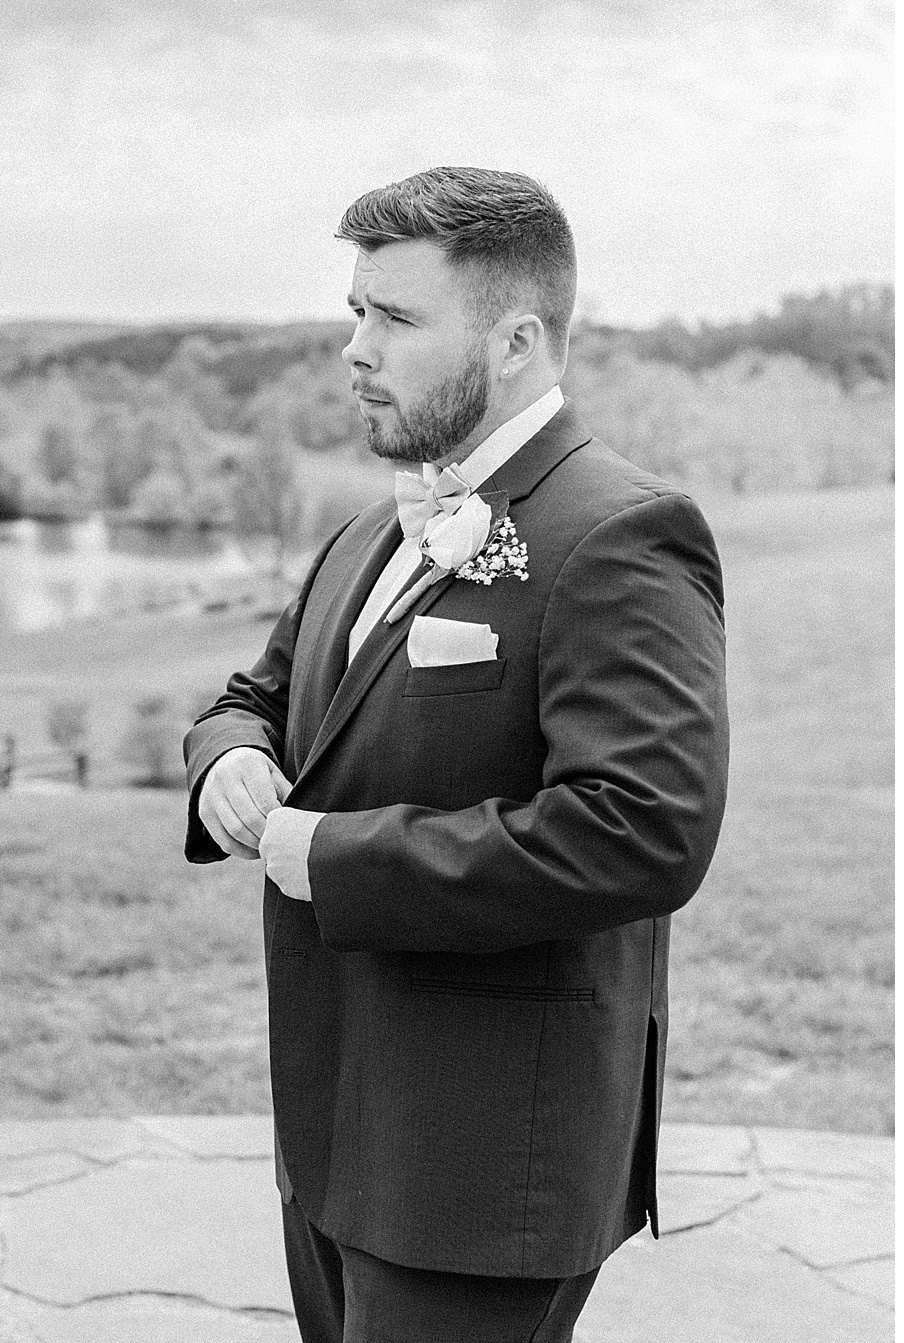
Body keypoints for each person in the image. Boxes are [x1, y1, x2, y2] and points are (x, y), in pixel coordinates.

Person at [183, 167, 729, 1340]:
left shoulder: (621, 532)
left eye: (397, 319)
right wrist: (226, 755)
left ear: (518, 341)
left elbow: (642, 828)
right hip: (336, 1127)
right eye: (355, 312)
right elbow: (257, 695)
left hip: (482, 1164)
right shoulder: (366, 526)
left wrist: (328, 856)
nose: (355, 349)